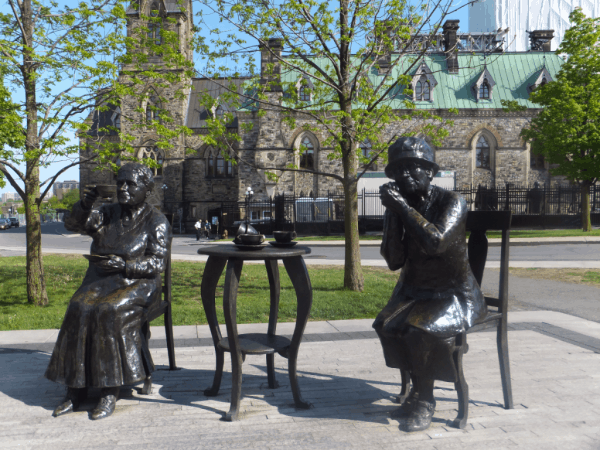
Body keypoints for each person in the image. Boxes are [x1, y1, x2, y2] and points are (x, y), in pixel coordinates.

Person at [373, 137, 486, 432]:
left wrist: (403, 210)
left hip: (454, 294)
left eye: (413, 168)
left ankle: (425, 399)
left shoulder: (452, 201)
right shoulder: (400, 206)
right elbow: (394, 260)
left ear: (431, 172)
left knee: (418, 331)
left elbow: (435, 243)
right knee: (386, 325)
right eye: (398, 170)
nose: (405, 175)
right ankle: (414, 392)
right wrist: (393, 216)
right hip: (414, 290)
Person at [45, 163, 172, 420]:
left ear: (146, 189)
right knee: (78, 307)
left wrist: (126, 265)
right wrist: (85, 205)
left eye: (131, 184)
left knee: (108, 310)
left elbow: (158, 263)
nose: (123, 188)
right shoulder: (106, 213)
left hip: (139, 283)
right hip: (101, 280)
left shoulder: (156, 221)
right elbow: (73, 224)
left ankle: (108, 390)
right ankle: (74, 390)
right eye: (120, 183)